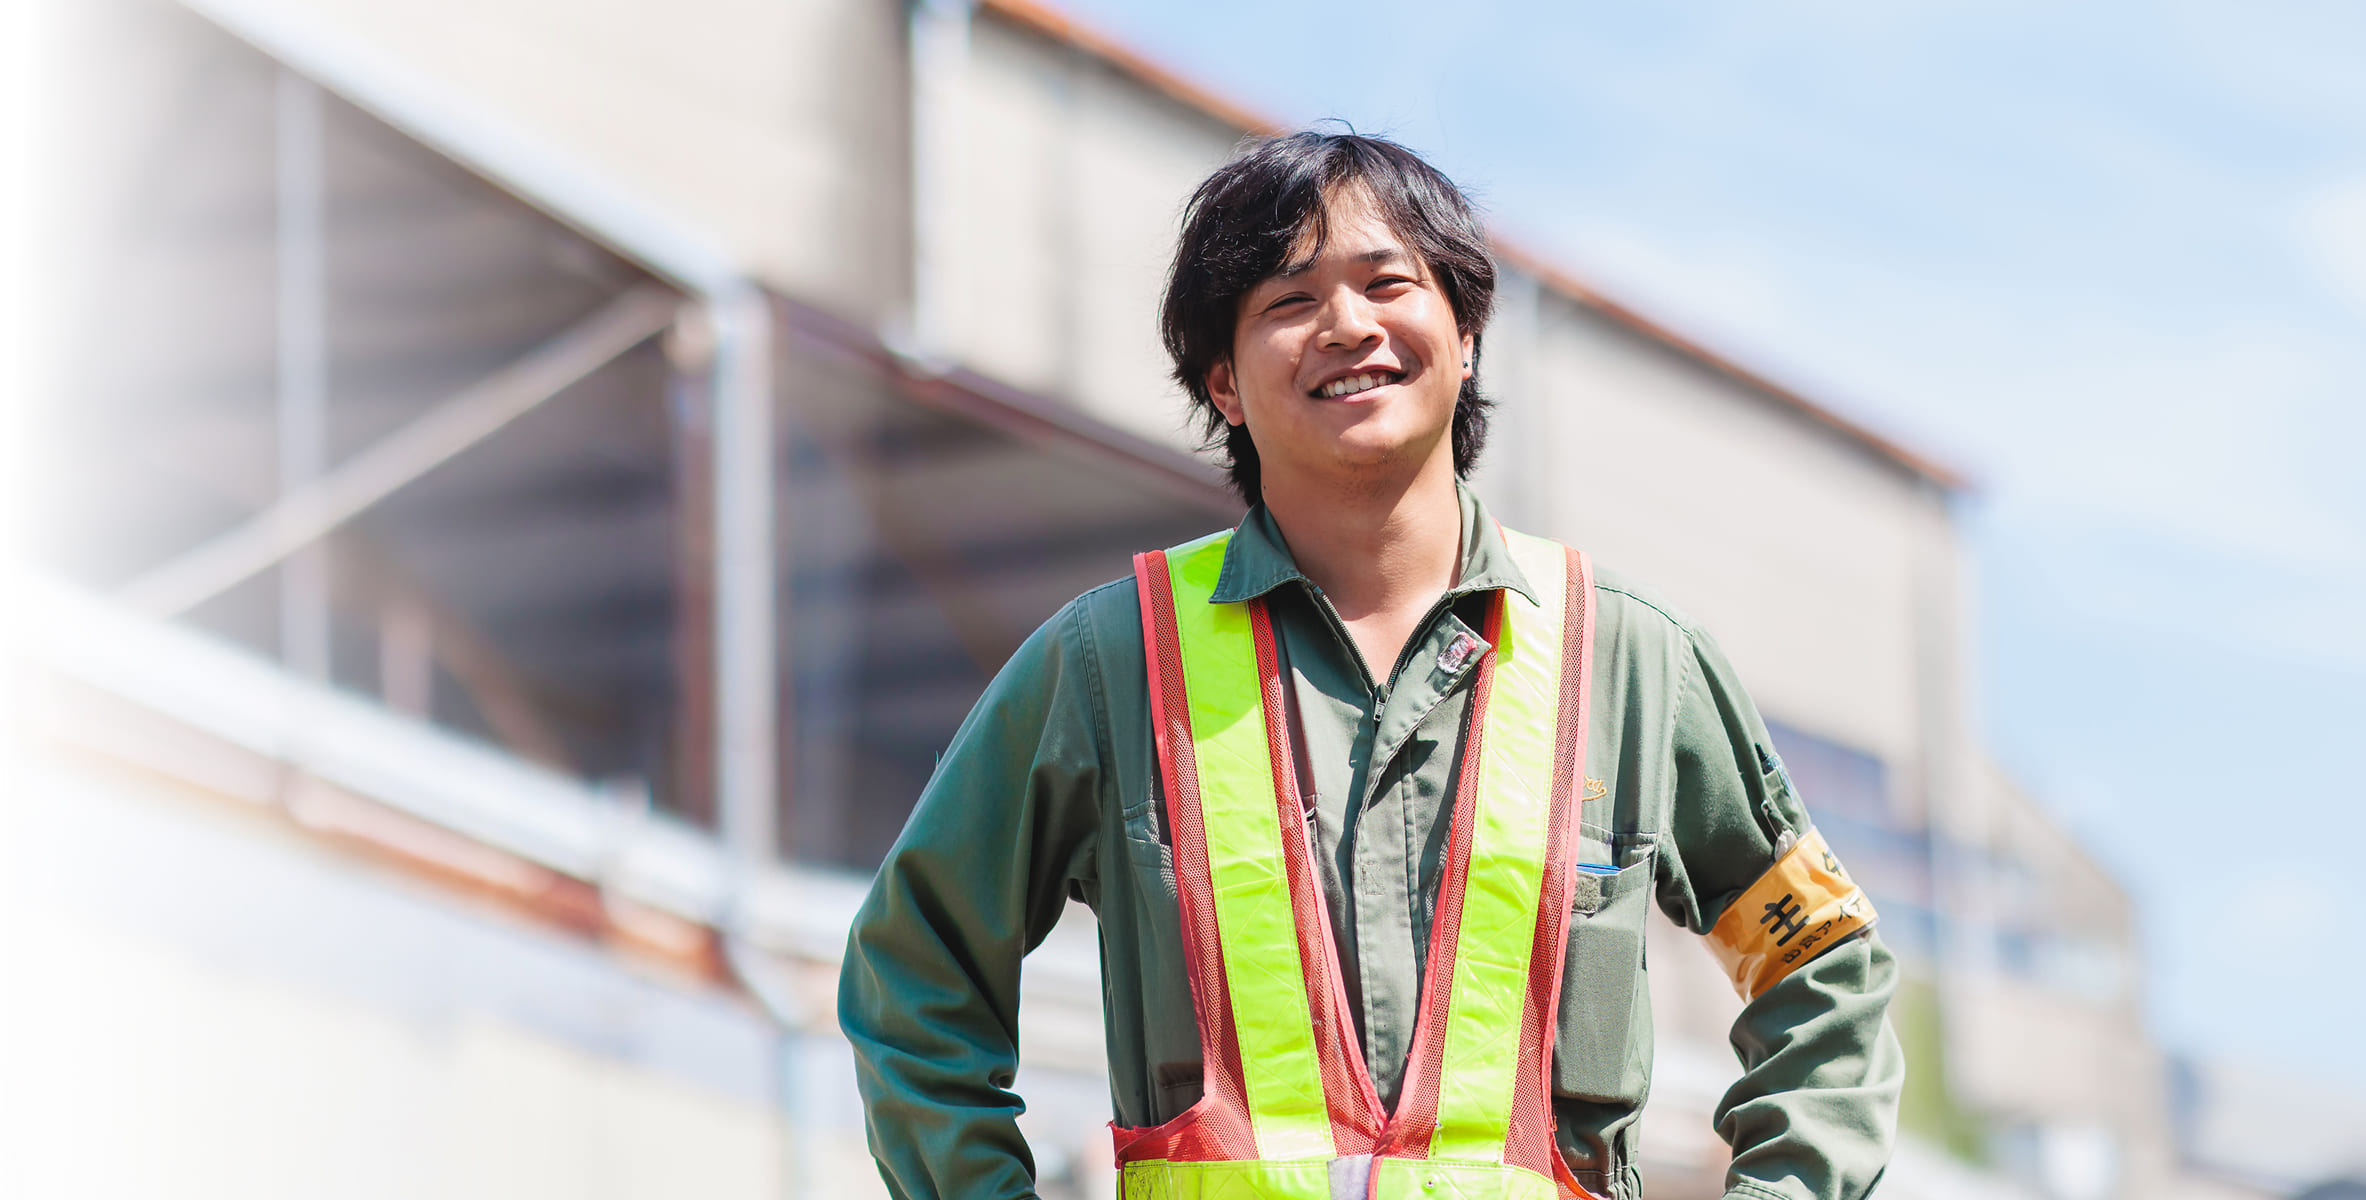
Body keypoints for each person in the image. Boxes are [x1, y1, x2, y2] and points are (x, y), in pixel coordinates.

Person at [840, 130, 1902, 1200]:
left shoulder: (1627, 659)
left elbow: (1821, 962)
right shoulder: (1111, 662)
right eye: (1289, 301)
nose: (1348, 325)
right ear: (1222, 383)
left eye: (1387, 282)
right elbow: (915, 971)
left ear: (1466, 331)